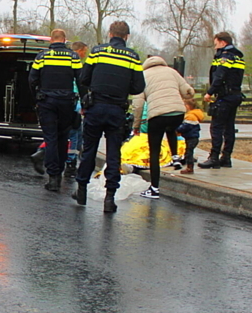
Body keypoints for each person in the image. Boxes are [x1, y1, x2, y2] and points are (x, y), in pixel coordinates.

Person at [73, 21, 145, 212]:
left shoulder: (97, 52)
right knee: (114, 153)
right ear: (126, 37)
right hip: (117, 109)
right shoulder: (133, 57)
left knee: (89, 150)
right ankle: (109, 197)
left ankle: (81, 189)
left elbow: (84, 78)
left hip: (95, 107)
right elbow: (139, 87)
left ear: (110, 34)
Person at [130, 56, 194, 199]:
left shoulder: (143, 76)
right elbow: (188, 92)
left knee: (154, 151)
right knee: (171, 129)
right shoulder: (171, 71)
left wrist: (136, 125)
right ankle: (176, 157)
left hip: (157, 115)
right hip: (178, 113)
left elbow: (138, 105)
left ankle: (154, 189)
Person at [28, 29, 83, 192]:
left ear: (51, 40)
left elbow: (32, 79)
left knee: (50, 138)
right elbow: (81, 81)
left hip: (47, 102)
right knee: (62, 137)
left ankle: (53, 178)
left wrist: (36, 97)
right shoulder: (74, 57)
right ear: (65, 40)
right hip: (66, 102)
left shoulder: (42, 56)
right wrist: (84, 103)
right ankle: (60, 171)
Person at [200, 31, 245, 168]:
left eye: (216, 44)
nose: (215, 48)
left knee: (217, 127)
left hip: (225, 97)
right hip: (235, 95)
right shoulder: (238, 57)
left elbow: (220, 76)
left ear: (223, 42)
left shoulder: (225, 57)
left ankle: (214, 158)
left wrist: (209, 93)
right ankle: (226, 157)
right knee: (229, 128)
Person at [176, 97, 207, 174]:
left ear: (187, 106)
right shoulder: (192, 115)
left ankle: (190, 167)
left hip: (191, 137)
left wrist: (177, 129)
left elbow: (185, 126)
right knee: (189, 151)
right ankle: (190, 164)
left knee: (188, 152)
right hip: (192, 137)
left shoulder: (190, 116)